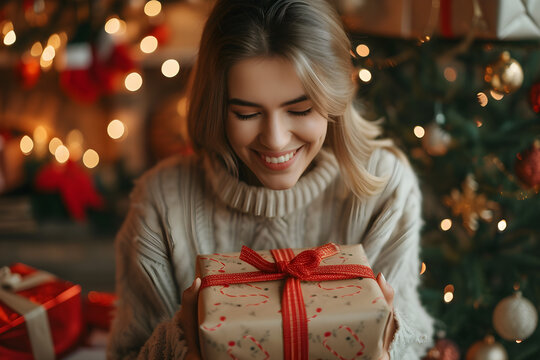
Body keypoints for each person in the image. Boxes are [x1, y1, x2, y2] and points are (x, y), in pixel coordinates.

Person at [107, 0, 435, 358]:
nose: (276, 139)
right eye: (247, 113)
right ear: (217, 105)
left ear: (335, 97)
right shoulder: (163, 200)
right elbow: (129, 352)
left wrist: (389, 346)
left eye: (301, 110)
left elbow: (413, 341)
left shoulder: (384, 185)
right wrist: (182, 342)